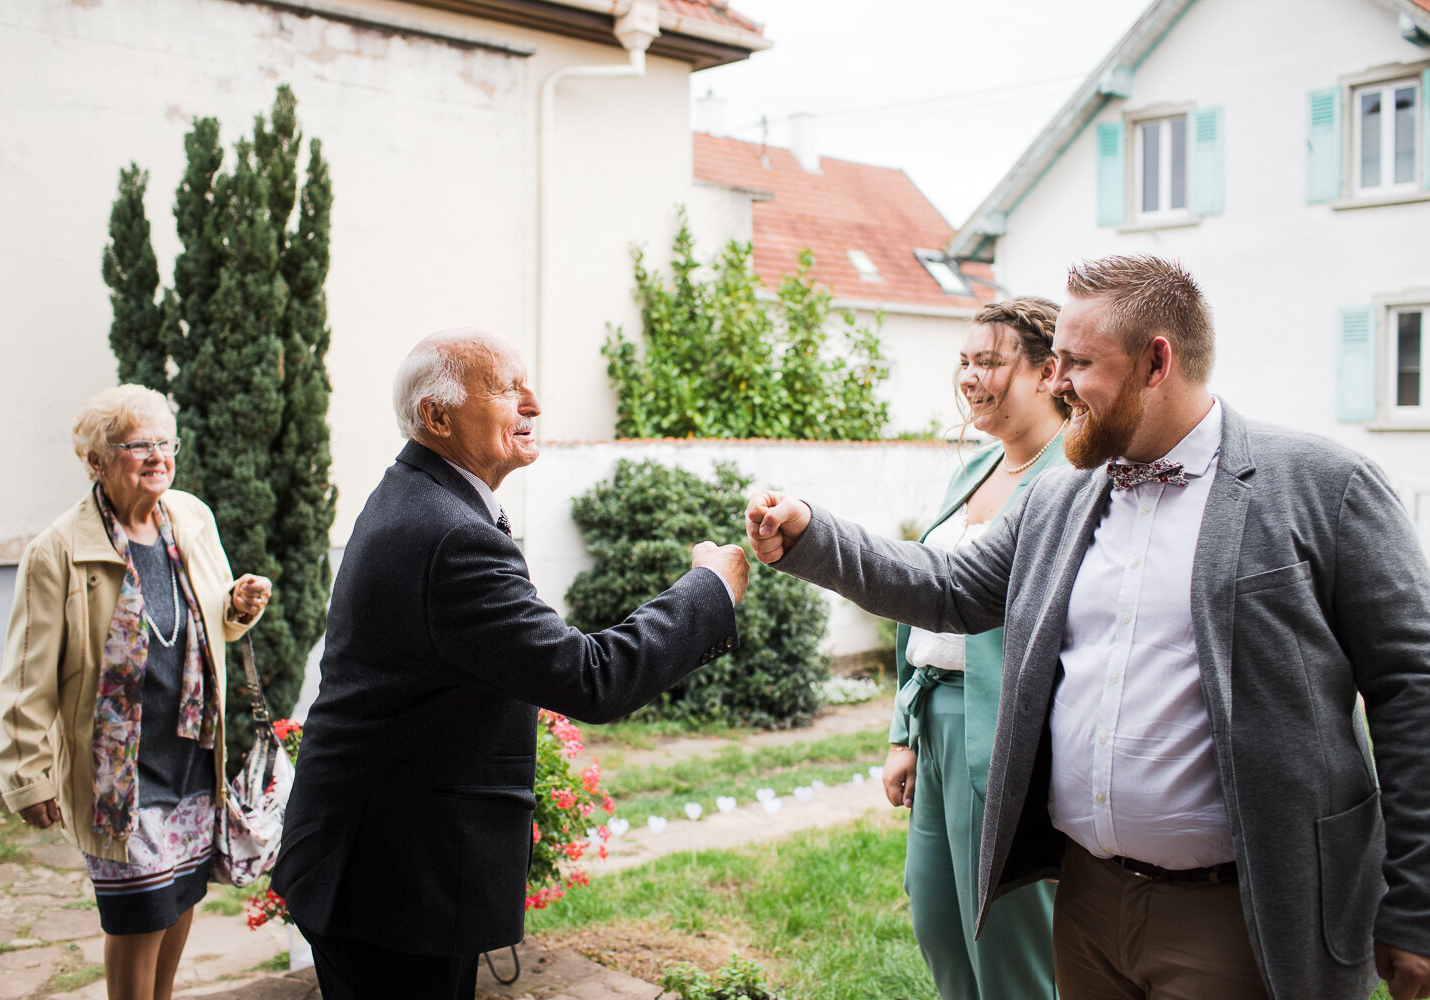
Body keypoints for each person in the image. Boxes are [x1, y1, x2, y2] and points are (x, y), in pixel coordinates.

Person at [747, 255, 1430, 1000]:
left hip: (1245, 914)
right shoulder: (1060, 496)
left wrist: (1418, 903)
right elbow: (949, 589)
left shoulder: (1323, 487)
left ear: (1155, 363)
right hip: (1088, 905)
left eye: (1076, 362)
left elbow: (1411, 690)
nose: (1056, 381)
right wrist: (813, 535)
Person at [271, 327, 749, 1000]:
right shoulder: (451, 532)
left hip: (381, 866)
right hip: (394, 883)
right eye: (505, 388)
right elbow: (591, 677)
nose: (533, 403)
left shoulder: (424, 497)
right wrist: (709, 591)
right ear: (436, 417)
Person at [0, 384, 272, 1000]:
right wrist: (28, 774)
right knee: (138, 917)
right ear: (96, 460)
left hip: (193, 755)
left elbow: (210, 620)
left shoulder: (190, 517)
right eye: (136, 444)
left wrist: (238, 605)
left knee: (179, 902)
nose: (156, 456)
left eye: (163, 441)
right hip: (118, 772)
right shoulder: (59, 550)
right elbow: (27, 672)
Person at [884, 297, 1066, 1000]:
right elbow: (928, 610)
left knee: (1007, 939)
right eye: (964, 360)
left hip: (1004, 731)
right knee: (936, 919)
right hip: (936, 720)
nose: (969, 376)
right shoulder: (976, 470)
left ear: (1049, 372)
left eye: (990, 361)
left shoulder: (1071, 478)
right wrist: (904, 729)